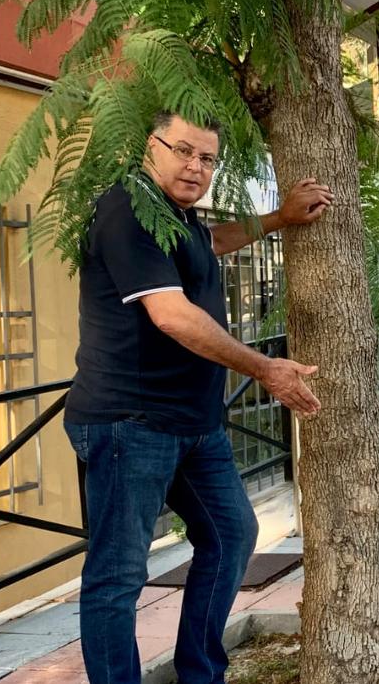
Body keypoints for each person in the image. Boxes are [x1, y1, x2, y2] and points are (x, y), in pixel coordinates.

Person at [63, 111, 332, 684]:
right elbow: (172, 316)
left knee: (232, 534)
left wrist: (279, 218)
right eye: (183, 150)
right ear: (149, 146)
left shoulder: (175, 216)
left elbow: (209, 243)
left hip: (191, 422)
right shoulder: (127, 208)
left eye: (207, 157)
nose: (195, 166)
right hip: (128, 421)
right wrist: (265, 369)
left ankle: (200, 674)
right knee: (118, 575)